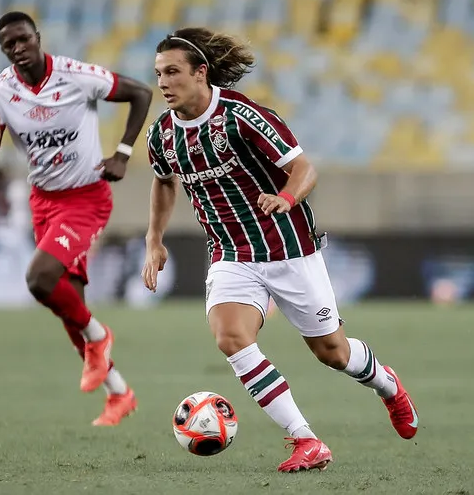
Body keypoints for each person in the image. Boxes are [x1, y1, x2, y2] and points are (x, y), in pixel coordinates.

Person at [142, 28, 419, 471]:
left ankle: (387, 385)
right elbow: (162, 180)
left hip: (288, 249)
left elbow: (304, 168)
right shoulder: (162, 134)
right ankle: (305, 440)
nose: (163, 82)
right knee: (231, 337)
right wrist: (153, 240)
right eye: (158, 74)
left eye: (172, 72)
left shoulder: (243, 116)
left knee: (334, 353)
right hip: (231, 254)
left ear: (200, 73)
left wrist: (285, 198)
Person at [0, 11, 153, 426]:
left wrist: (123, 154)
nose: (18, 49)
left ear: (37, 37)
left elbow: (141, 93)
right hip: (44, 202)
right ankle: (120, 394)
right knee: (69, 306)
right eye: (8, 46)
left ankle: (99, 337)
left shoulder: (75, 75)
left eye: (23, 40)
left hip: (86, 198)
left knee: (39, 279)